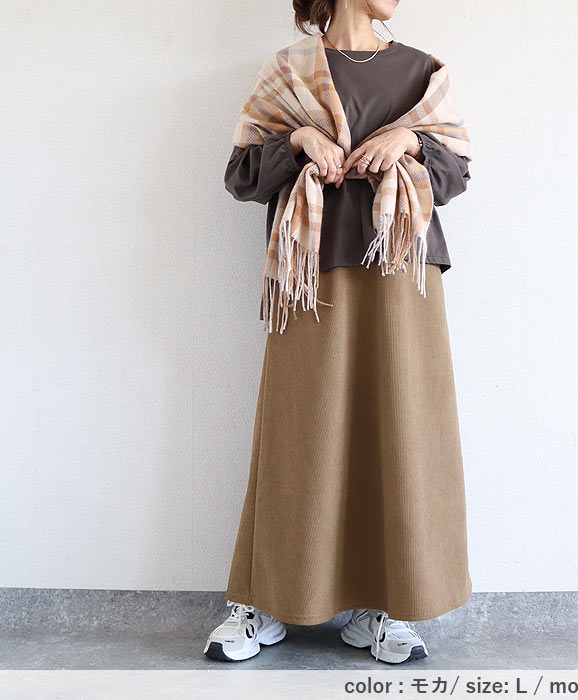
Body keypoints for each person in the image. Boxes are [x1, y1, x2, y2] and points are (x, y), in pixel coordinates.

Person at [203, 0, 473, 665]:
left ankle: (388, 605)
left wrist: (410, 142)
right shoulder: (290, 70)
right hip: (309, 273)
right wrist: (298, 140)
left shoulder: (422, 72)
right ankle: (269, 600)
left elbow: (456, 173)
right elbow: (242, 174)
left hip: (400, 269)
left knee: (401, 430)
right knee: (300, 432)